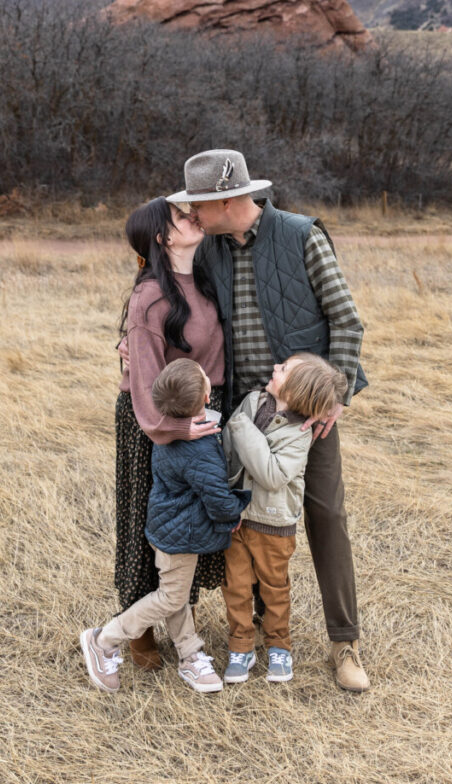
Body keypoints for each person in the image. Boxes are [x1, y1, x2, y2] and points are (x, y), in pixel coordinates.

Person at [167, 149, 371, 692]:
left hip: (308, 409)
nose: (193, 217)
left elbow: (346, 321)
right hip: (243, 412)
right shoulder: (208, 250)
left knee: (326, 515)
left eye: (199, 206)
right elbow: (176, 298)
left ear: (228, 200)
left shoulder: (303, 235)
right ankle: (258, 633)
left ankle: (344, 643)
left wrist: (336, 396)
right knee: (250, 522)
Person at [81, 359, 250, 694]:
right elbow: (217, 499)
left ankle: (190, 654)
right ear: (206, 397)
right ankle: (104, 639)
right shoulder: (198, 448)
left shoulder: (168, 431)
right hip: (182, 536)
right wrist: (234, 514)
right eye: (206, 379)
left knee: (177, 594)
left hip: (166, 525)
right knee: (171, 597)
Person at [112, 197, 227, 672]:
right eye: (181, 217)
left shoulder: (202, 276)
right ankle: (136, 631)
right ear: (162, 237)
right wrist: (175, 427)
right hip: (154, 422)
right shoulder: (150, 296)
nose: (192, 217)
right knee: (149, 521)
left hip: (202, 410)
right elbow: (143, 384)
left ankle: (182, 616)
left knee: (191, 518)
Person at [221, 353, 347, 685]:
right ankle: (241, 645)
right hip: (237, 520)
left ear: (297, 391)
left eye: (283, 369)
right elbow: (229, 452)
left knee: (274, 588)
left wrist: (239, 426)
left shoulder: (299, 434)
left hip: (273, 526)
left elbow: (272, 475)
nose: (274, 368)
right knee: (235, 586)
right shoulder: (252, 402)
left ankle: (279, 645)